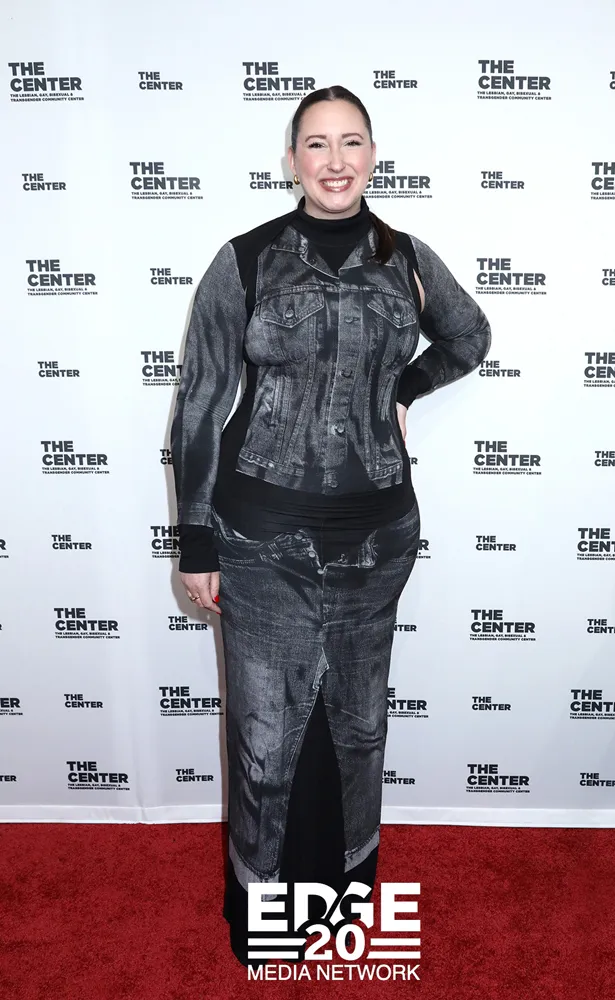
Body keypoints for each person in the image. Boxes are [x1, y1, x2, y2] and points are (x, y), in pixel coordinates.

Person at [170, 84, 491, 966]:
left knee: (358, 727)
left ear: (373, 156)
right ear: (292, 161)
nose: (336, 160)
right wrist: (195, 540)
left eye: (352, 142)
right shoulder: (245, 259)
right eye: (317, 144)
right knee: (263, 735)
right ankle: (265, 922)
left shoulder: (408, 259)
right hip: (259, 536)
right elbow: (200, 402)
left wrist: (403, 389)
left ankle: (341, 909)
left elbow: (468, 337)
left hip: (378, 538)